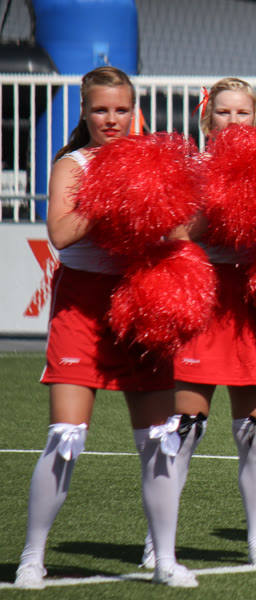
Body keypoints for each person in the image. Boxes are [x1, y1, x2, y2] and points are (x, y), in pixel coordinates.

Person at [15, 66, 197, 589]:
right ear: (84, 112)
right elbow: (59, 233)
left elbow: (181, 232)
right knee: (65, 436)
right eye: (100, 109)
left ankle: (164, 560)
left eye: (121, 109)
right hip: (83, 305)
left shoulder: (152, 160)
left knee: (159, 439)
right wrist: (112, 192)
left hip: (143, 301)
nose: (111, 119)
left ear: (134, 110)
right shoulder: (71, 164)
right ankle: (32, 558)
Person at [137, 78, 256, 571]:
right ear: (207, 119)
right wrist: (219, 200)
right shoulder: (189, 168)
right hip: (200, 296)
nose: (233, 122)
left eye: (243, 113)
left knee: (255, 430)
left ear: (255, 119)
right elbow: (173, 234)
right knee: (185, 428)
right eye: (224, 113)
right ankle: (159, 541)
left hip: (248, 303)